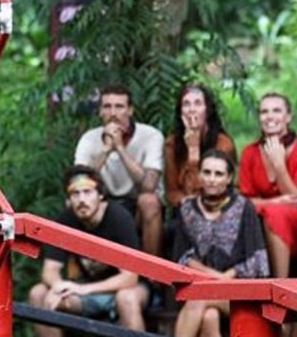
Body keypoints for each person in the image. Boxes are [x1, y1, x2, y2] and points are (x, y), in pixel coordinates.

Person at [27, 166, 149, 335]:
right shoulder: (66, 219)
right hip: (84, 289)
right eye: (75, 194)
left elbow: (130, 278)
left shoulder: (118, 217)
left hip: (125, 289)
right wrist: (58, 287)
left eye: (87, 192)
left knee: (126, 298)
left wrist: (83, 289)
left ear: (100, 195)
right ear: (69, 200)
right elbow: (50, 269)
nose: (81, 199)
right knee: (38, 293)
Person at [174, 149, 269, 337]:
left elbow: (257, 260)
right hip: (202, 286)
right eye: (207, 172)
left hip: (240, 291)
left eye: (218, 174)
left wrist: (225, 279)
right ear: (199, 175)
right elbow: (182, 257)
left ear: (229, 178)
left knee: (198, 300)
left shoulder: (244, 207)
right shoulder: (187, 209)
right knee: (209, 317)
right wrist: (215, 279)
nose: (212, 179)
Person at [74, 85, 165, 256]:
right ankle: (79, 271)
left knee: (149, 201)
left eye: (119, 107)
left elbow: (149, 185)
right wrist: (107, 150)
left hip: (137, 204)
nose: (113, 113)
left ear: (130, 110)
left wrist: (120, 148)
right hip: (102, 203)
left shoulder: (151, 136)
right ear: (100, 111)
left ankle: (152, 274)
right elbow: (79, 182)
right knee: (75, 201)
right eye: (107, 107)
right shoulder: (89, 139)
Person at [238, 92, 297, 278]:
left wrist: (279, 166)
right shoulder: (250, 153)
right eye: (264, 111)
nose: (269, 116)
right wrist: (277, 202)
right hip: (259, 221)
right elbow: (244, 202)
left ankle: (280, 286)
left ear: (288, 116)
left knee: (276, 214)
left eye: (276, 110)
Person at [164, 84, 238, 211]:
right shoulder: (171, 143)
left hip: (218, 208)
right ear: (180, 111)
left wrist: (194, 152)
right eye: (186, 104)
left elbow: (209, 189)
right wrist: (186, 203)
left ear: (207, 111)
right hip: (185, 210)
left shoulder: (223, 143)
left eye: (197, 103)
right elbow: (172, 192)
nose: (192, 109)